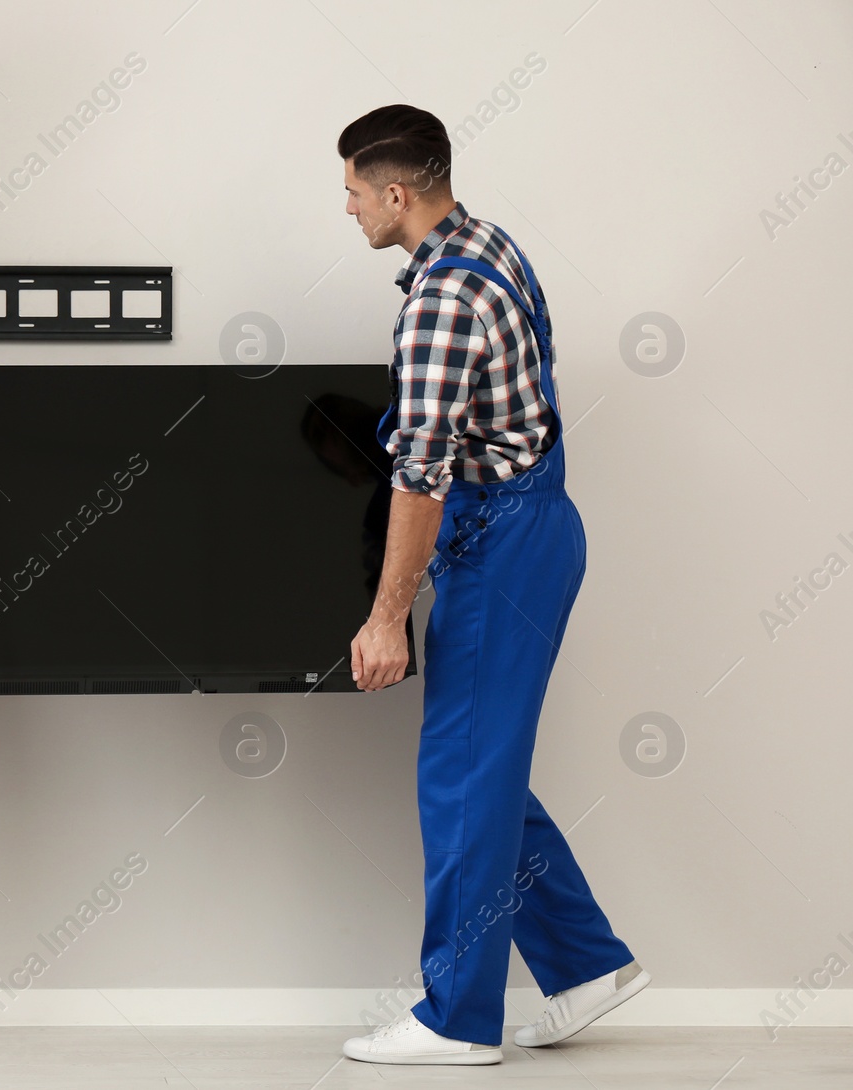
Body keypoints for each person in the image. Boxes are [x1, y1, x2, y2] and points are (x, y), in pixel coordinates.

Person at [336, 105, 648, 1065]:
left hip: (501, 539)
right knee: (485, 768)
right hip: (537, 521)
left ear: (396, 193)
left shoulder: (438, 301)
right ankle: (588, 964)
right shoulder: (485, 241)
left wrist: (389, 615)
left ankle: (455, 1019)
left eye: (352, 191)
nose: (344, 208)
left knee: (462, 774)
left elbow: (420, 476)